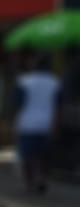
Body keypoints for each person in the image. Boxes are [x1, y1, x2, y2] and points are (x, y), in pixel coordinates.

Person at [14, 52, 61, 193]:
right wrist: (55, 125)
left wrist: (15, 124)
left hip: (27, 124)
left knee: (27, 155)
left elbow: (18, 105)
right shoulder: (56, 83)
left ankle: (29, 182)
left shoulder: (24, 81)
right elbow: (58, 107)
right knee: (44, 156)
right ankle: (42, 178)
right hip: (47, 124)